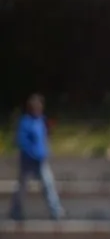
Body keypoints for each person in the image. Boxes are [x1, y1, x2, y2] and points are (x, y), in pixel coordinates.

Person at [9, 93, 64, 221]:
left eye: (40, 106)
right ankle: (15, 211)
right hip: (27, 161)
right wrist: (32, 153)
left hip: (41, 160)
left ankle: (56, 211)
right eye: (36, 107)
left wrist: (46, 150)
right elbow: (21, 141)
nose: (39, 109)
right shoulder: (25, 122)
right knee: (22, 188)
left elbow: (44, 138)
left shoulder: (41, 121)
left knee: (48, 185)